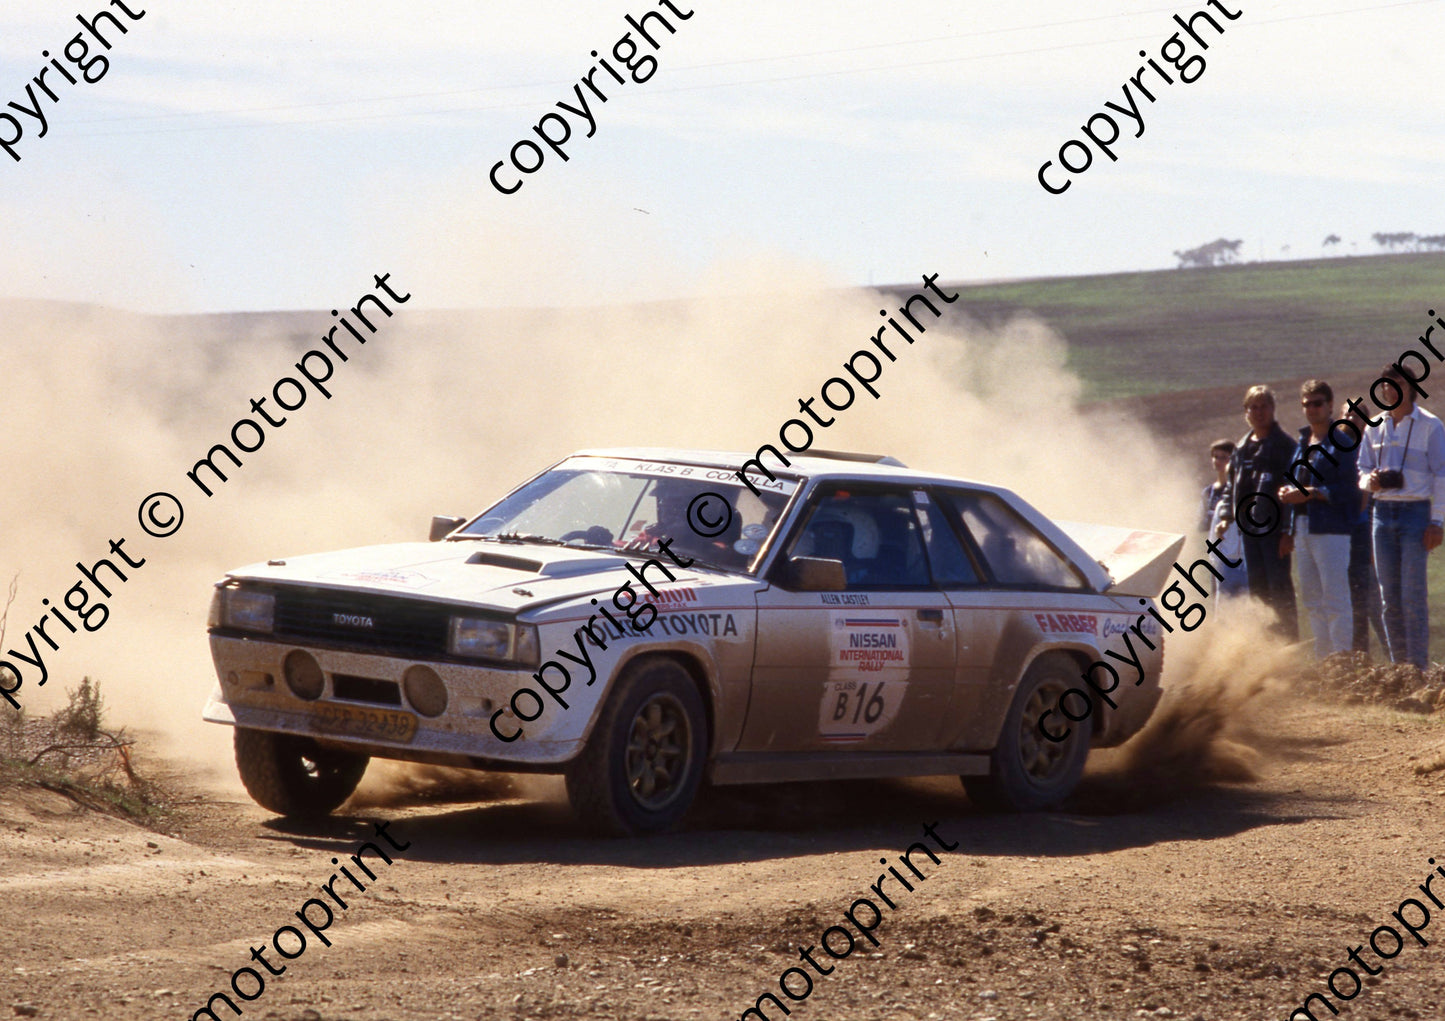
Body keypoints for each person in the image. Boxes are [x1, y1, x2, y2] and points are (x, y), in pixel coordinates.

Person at [1356, 365, 1445, 668]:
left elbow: (1441, 476)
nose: (1390, 391)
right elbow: (1362, 471)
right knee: (1389, 599)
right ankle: (1400, 670)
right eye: (1385, 386)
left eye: (1398, 385)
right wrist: (1372, 482)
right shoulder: (1373, 427)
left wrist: (1437, 522)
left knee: (1413, 596)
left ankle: (1418, 670)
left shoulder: (1431, 426)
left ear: (1411, 388)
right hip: (1381, 514)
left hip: (1415, 513)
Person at [1277, 380, 1359, 657]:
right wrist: (1287, 492)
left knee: (1335, 597)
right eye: (1307, 404)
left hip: (1331, 528)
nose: (1312, 409)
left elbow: (1351, 490)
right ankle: (1323, 661)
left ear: (1330, 405)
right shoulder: (1302, 443)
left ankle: (1341, 659)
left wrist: (1314, 493)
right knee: (1312, 599)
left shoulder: (1343, 443)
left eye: (1317, 403)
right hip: (1302, 526)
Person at [1215, 384, 1299, 639]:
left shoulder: (1285, 446)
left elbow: (1292, 488)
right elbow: (1232, 486)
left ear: (1273, 410)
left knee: (1279, 587)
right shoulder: (1241, 448)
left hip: (1275, 532)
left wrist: (1288, 531)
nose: (1259, 412)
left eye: (1264, 406)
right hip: (1249, 531)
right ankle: (1266, 644)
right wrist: (1226, 517)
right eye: (1254, 407)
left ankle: (1289, 642)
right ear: (1246, 412)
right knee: (1258, 590)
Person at [1344, 404, 1387, 654]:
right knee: (1351, 605)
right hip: (1343, 537)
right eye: (1347, 414)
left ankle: (1398, 661)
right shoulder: (1335, 454)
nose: (1352, 418)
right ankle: (1359, 661)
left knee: (1374, 602)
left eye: (1358, 414)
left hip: (1369, 535)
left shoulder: (1372, 451)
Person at [1201, 439, 1248, 596]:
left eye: (1224, 457)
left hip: (1240, 557)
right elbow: (1207, 528)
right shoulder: (1209, 492)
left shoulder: (1242, 493)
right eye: (1215, 457)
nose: (1218, 461)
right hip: (1221, 555)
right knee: (1221, 599)